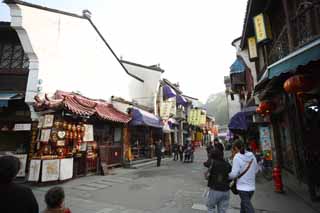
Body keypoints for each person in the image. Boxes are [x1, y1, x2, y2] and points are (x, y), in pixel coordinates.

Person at [229, 141, 258, 213]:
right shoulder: (252, 156)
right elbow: (256, 170)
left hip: (242, 188)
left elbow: (234, 174)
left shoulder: (237, 157)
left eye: (233, 150)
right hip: (252, 187)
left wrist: (227, 176)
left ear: (235, 148)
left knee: (248, 208)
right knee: (244, 205)